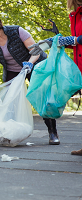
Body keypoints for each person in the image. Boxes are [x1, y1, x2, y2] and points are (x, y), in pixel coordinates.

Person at [0, 13, 61, 145]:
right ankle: (10, 133)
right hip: (13, 71)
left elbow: (36, 51)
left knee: (42, 99)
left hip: (35, 66)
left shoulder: (17, 31)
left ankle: (52, 132)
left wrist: (30, 64)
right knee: (9, 102)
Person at [28, 0, 82, 154]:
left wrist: (73, 40)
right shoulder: (76, 14)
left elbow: (79, 39)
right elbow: (78, 40)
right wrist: (57, 42)